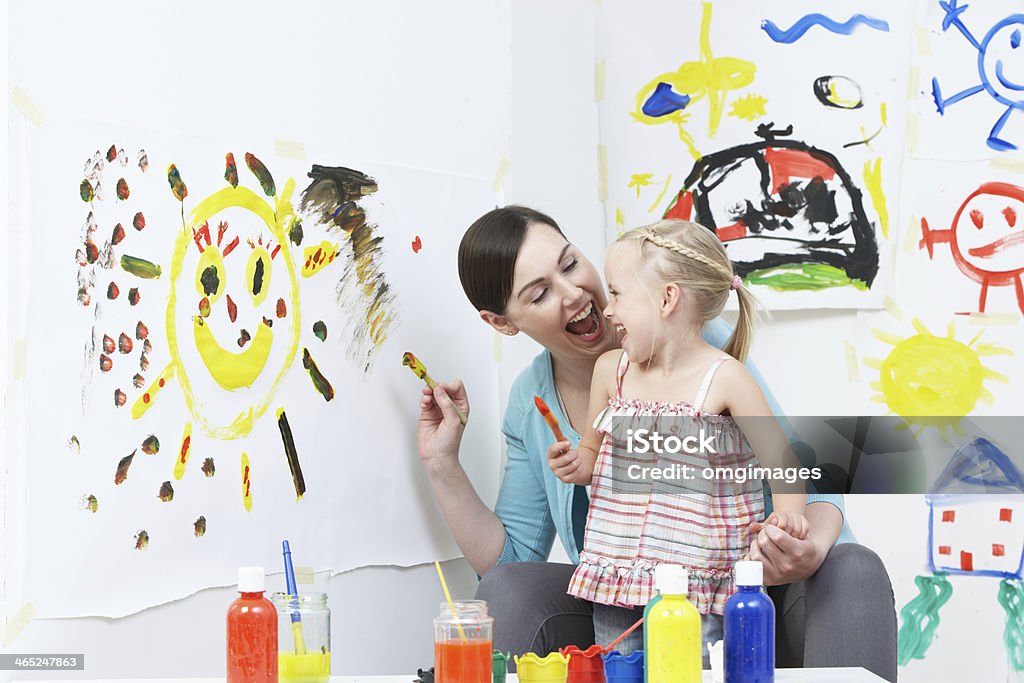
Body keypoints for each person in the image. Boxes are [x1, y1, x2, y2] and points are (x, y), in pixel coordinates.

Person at [416, 206, 897, 681]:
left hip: (740, 591)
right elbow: (513, 562)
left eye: (569, 263)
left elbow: (797, 466)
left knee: (854, 568)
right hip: (623, 606)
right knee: (507, 589)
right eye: (540, 293)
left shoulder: (699, 349)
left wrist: (804, 543)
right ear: (503, 323)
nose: (578, 294)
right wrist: (442, 463)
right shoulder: (532, 400)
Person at [545, 219, 809, 660]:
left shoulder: (724, 378)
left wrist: (786, 519)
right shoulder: (611, 371)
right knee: (619, 670)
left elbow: (783, 465)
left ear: (667, 299)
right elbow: (592, 455)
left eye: (618, 294)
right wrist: (578, 463)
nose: (608, 311)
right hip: (619, 576)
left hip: (697, 585)